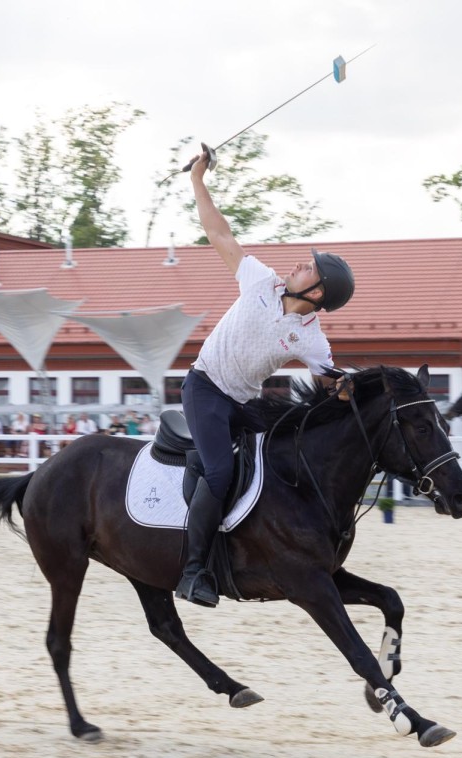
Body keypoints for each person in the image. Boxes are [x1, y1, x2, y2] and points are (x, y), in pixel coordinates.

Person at [175, 146, 353, 608]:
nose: (299, 264)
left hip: (243, 402)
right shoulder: (260, 280)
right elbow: (219, 232)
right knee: (218, 471)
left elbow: (328, 379)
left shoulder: (312, 338)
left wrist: (344, 387)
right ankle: (194, 571)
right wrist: (198, 180)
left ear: (317, 293)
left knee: (284, 455)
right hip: (205, 388)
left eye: (308, 267)